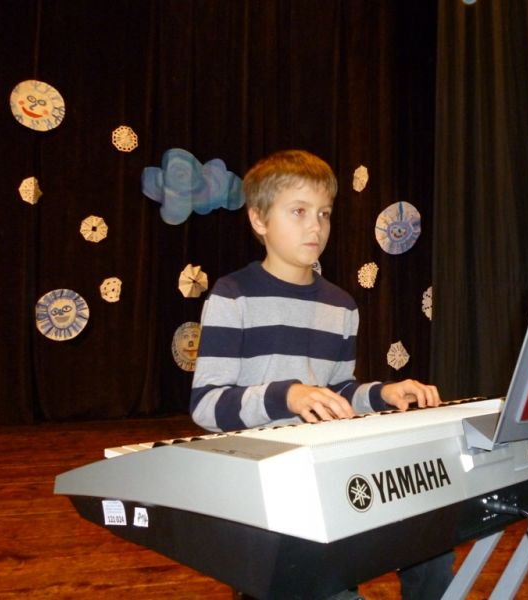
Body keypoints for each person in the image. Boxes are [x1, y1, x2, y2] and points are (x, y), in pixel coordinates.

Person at [190, 148, 454, 599]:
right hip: (263, 483)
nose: (316, 226)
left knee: (433, 548)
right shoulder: (232, 296)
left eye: (324, 213)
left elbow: (339, 393)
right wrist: (287, 395)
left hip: (324, 471)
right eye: (299, 212)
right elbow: (206, 405)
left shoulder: (342, 306)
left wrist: (384, 394)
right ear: (259, 219)